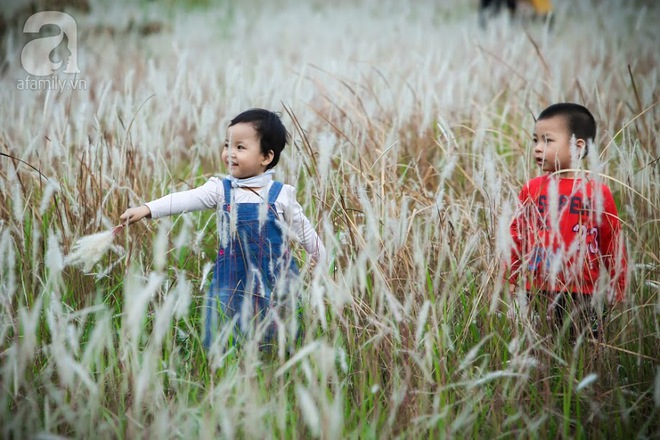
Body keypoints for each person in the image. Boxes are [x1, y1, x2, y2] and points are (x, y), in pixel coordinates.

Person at [120, 108, 326, 349]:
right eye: (227, 145)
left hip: (275, 281)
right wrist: (147, 209)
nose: (229, 153)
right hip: (230, 280)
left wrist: (323, 264)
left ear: (266, 157)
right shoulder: (221, 190)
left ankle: (275, 369)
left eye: (240, 147)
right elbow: (184, 199)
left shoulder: (281, 196)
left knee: (277, 334)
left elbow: (307, 236)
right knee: (224, 332)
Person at [507, 103, 628, 338]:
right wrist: (511, 275)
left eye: (548, 141)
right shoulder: (531, 189)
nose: (538, 149)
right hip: (537, 288)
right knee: (540, 343)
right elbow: (516, 233)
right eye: (535, 141)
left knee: (583, 345)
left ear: (577, 146)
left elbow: (612, 241)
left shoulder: (597, 193)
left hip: (583, 292)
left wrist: (618, 286)